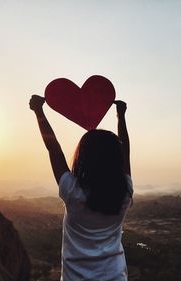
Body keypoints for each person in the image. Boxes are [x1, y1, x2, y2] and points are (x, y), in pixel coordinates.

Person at [29, 95, 133, 281]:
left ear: (83, 158)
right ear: (116, 160)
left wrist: (39, 112)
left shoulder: (73, 191)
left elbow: (53, 148)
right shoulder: (124, 191)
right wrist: (121, 116)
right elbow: (125, 150)